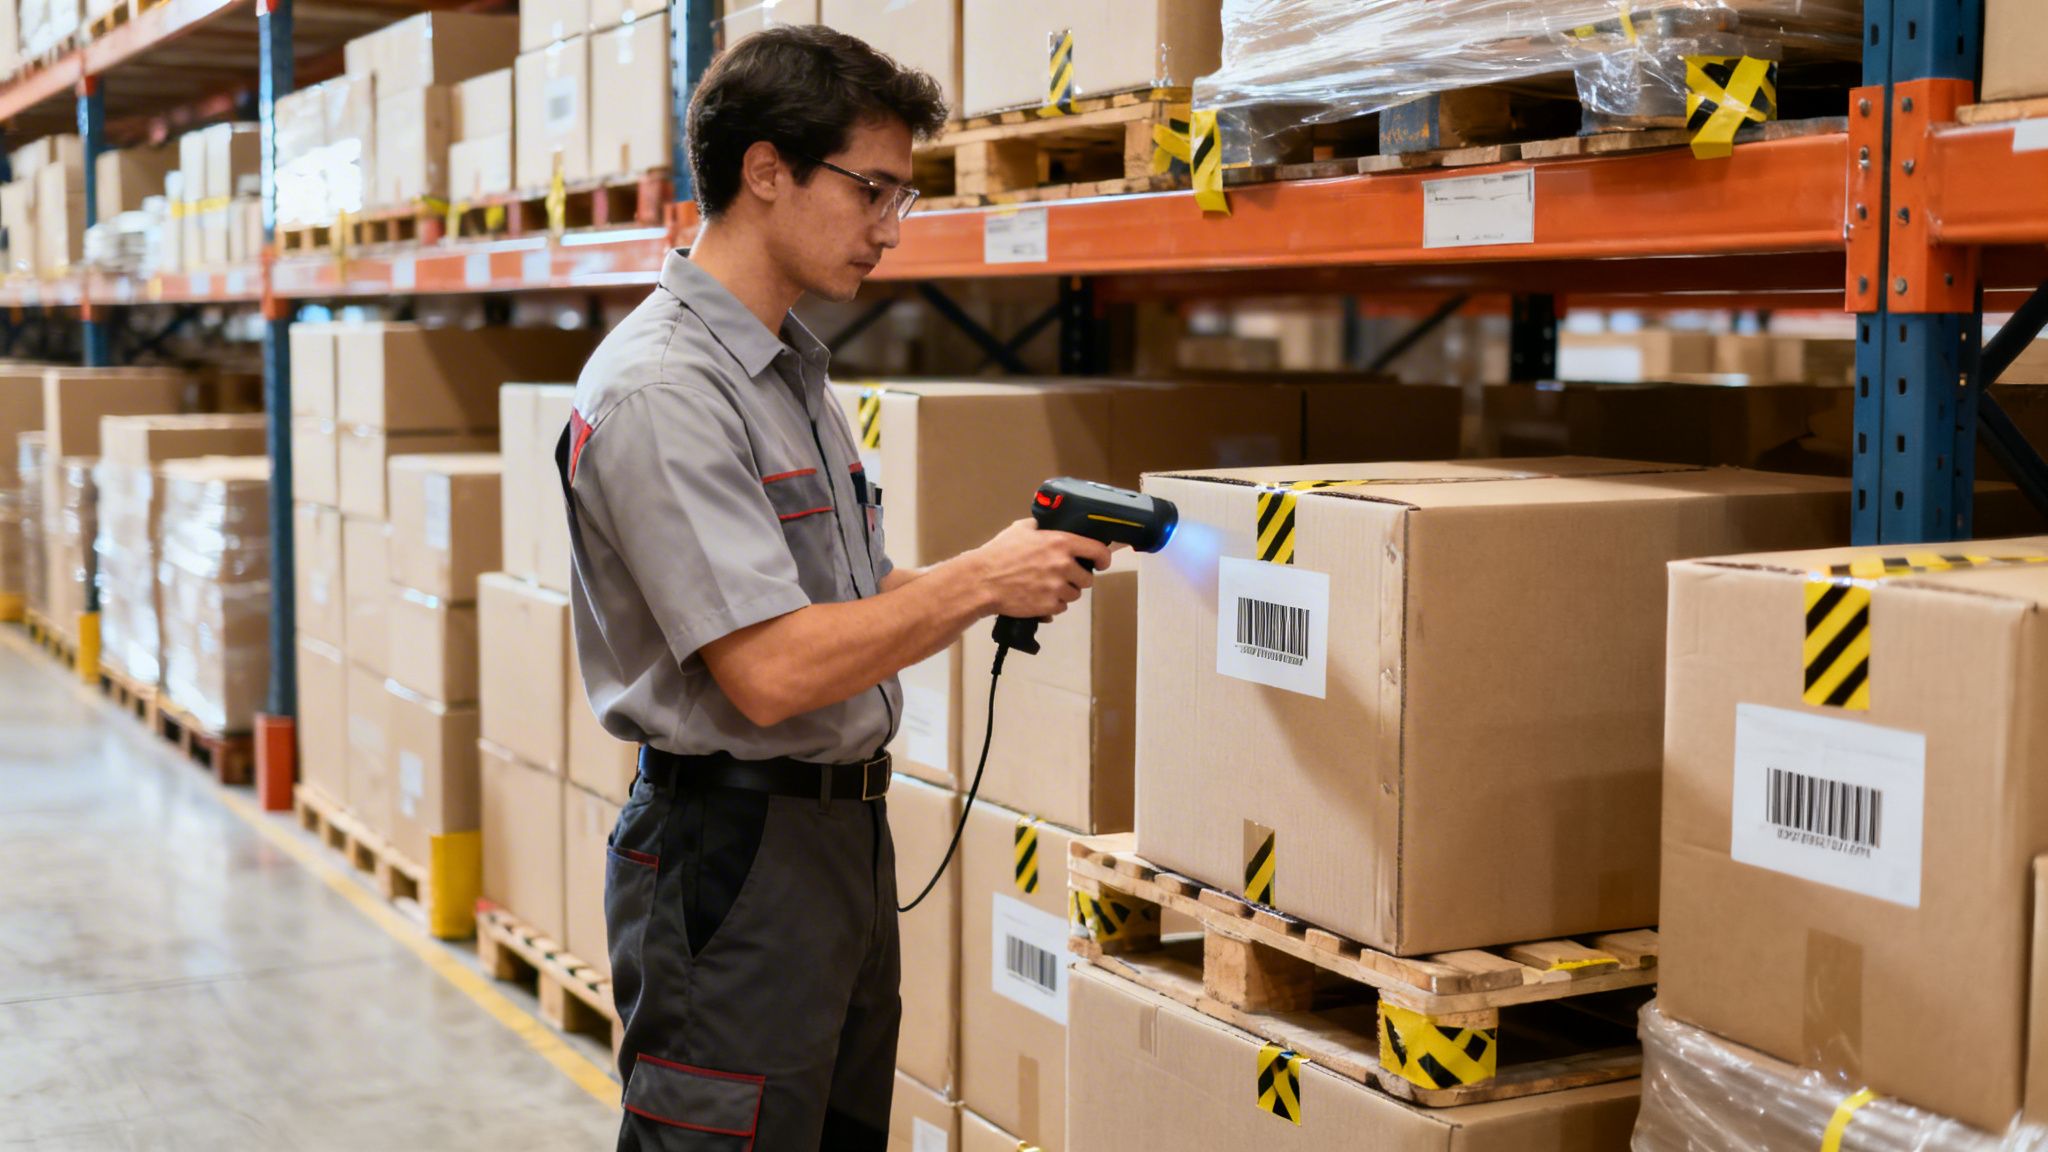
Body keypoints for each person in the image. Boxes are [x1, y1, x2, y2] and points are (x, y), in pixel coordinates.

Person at [555, 25, 1113, 1151]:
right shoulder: (668, 390)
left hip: (834, 848)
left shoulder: (784, 371)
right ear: (767, 172)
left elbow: (822, 603)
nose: (889, 229)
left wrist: (992, 573)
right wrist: (972, 581)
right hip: (735, 852)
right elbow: (768, 672)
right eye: (872, 190)